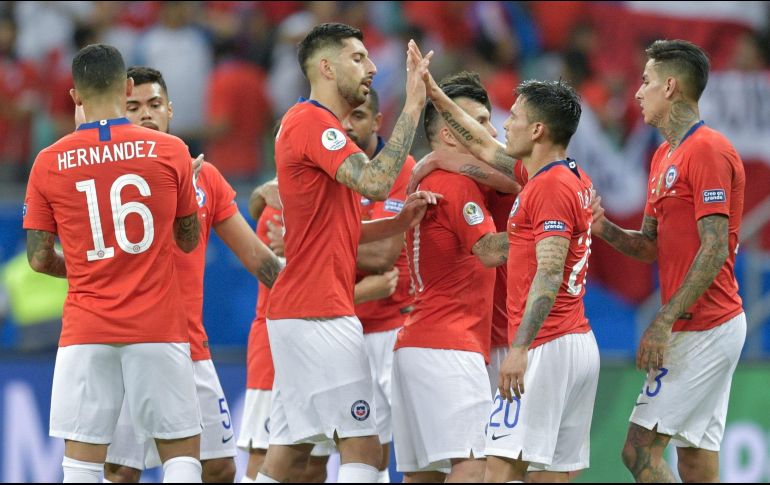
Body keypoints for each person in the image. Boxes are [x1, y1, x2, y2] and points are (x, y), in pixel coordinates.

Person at [258, 23, 438, 484]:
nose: (373, 67)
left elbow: (335, 228)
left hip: (301, 309)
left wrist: (397, 222)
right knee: (362, 445)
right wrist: (414, 104)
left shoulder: (309, 125)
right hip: (318, 310)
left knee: (291, 450)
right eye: (358, 58)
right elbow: (376, 182)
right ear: (325, 67)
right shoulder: (312, 122)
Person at [23, 43, 203, 483]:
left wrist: (87, 267)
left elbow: (39, 258)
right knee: (180, 455)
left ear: (74, 97)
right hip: (157, 325)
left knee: (82, 465)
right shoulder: (171, 150)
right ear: (126, 88)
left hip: (86, 329)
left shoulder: (48, 162)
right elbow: (187, 239)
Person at [97, 66, 282, 483]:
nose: (146, 114)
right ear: (119, 114)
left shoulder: (207, 178)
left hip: (189, 345)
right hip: (127, 342)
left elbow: (257, 258)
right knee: (121, 472)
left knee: (218, 467)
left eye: (154, 104)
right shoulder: (108, 178)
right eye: (133, 107)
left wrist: (316, 289)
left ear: (170, 111)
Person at [421, 66, 599, 482]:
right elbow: (483, 147)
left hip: (545, 346)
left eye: (514, 117)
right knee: (551, 475)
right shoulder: (564, 175)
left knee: (496, 471)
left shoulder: (550, 188)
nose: (505, 124)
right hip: (576, 342)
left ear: (537, 130)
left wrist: (519, 349)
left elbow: (550, 272)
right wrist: (436, 94)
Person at [591, 40, 746, 483]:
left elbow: (713, 247)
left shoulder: (709, 150)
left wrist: (664, 319)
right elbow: (648, 244)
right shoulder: (662, 155)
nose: (637, 92)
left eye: (646, 81)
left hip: (706, 324)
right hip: (694, 321)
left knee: (639, 450)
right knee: (695, 461)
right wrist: (604, 229)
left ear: (671, 86)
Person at [392, 71, 509, 483]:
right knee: (474, 468)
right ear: (448, 133)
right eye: (478, 121)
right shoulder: (455, 185)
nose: (492, 132)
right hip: (450, 346)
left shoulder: (437, 176)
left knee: (423, 476)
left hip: (417, 343)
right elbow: (491, 252)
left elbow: (515, 175)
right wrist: (546, 228)